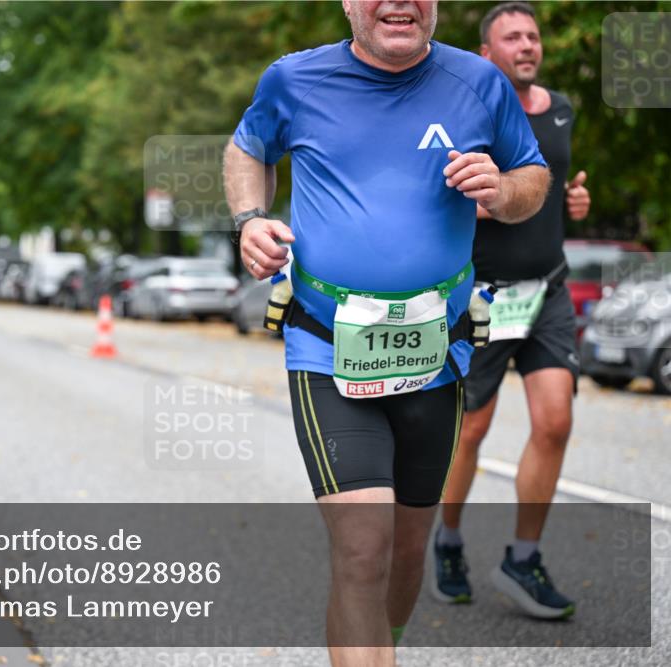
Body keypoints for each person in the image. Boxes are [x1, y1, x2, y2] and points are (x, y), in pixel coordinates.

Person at [223, 1, 550, 662]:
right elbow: (245, 148)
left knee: (405, 552)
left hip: (440, 349)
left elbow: (533, 176)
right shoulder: (293, 80)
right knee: (363, 544)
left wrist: (503, 191)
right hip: (327, 344)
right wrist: (251, 218)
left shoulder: (478, 83)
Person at [433, 1, 590, 619]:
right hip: (484, 293)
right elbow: (437, 188)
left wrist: (572, 199)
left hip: (547, 288)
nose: (527, 45)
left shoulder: (559, 108)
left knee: (554, 422)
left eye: (533, 35)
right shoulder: (465, 113)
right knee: (470, 428)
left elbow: (551, 177)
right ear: (485, 52)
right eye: (512, 37)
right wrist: (484, 198)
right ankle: (447, 544)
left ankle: (523, 557)